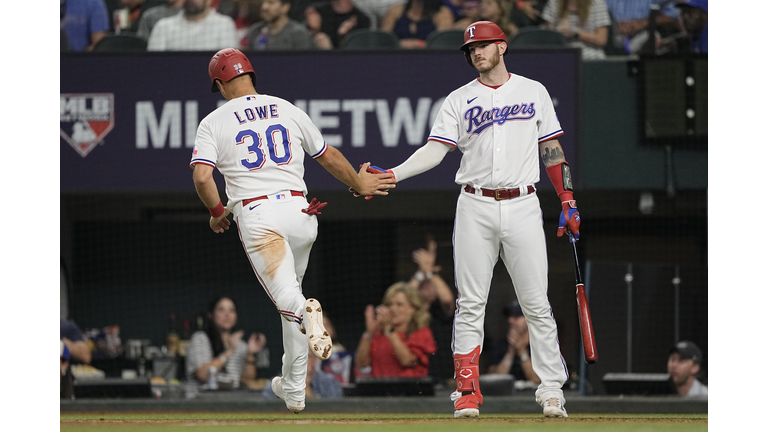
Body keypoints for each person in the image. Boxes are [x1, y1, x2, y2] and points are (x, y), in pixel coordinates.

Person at [357, 21, 578, 418]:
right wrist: (393, 174)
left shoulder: (533, 91)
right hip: (475, 203)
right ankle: (467, 391)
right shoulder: (459, 99)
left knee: (536, 303)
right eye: (471, 48)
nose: (476, 52)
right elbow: (434, 150)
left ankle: (551, 391)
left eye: (483, 45)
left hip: (523, 202)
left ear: (502, 46)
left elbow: (552, 149)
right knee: (471, 303)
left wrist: (567, 199)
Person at [189, 48, 395, 412]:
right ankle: (295, 389)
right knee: (291, 298)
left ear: (220, 85)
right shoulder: (286, 108)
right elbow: (327, 154)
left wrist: (217, 212)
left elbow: (203, 177)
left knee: (290, 300)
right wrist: (358, 183)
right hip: (301, 212)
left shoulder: (214, 121)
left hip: (259, 215)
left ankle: (307, 313)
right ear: (251, 76)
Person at [355, 282, 437, 377]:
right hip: (380, 385)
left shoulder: (421, 332)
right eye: (389, 304)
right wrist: (369, 333)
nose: (393, 309)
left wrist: (389, 330)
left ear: (413, 308)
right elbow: (361, 364)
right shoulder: (378, 333)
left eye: (399, 304)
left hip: (410, 385)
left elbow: (408, 361)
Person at [185, 296, 267, 390]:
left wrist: (250, 353)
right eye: (221, 310)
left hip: (232, 397)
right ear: (211, 314)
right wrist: (229, 351)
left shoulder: (241, 345)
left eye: (231, 310)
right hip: (201, 397)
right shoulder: (200, 338)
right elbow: (203, 375)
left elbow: (248, 379)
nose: (227, 315)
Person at [408, 237, 456, 385]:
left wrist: (429, 272)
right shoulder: (411, 311)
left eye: (432, 282)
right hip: (417, 377)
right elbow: (406, 295)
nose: (428, 285)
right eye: (424, 283)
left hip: (445, 377)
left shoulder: (441, 309)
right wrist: (421, 273)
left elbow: (447, 299)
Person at [147, 0, 238, 51]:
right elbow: (154, 66)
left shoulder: (224, 25)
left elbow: (229, 66)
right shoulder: (163, 27)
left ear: (209, 1)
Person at [486, 300, 540, 383]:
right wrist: (510, 353)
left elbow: (537, 379)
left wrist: (522, 351)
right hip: (507, 391)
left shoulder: (540, 344)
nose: (510, 320)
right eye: (509, 316)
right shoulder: (499, 345)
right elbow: (493, 380)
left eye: (516, 316)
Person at [541, 0, 610, 60]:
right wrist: (558, 33)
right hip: (561, 56)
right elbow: (547, 38)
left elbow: (601, 40)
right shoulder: (554, 2)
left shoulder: (597, 2)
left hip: (590, 57)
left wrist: (575, 33)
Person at [604, 0, 679, 54]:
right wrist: (613, 24)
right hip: (610, 39)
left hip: (643, 36)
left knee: (654, 40)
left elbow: (673, 16)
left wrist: (644, 23)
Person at [380, 0, 454, 49]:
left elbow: (443, 43)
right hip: (397, 58)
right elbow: (383, 39)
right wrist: (398, 44)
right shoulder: (395, 10)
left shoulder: (442, 13)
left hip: (429, 58)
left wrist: (420, 44)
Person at [245, 0, 314, 50]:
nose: (264, 7)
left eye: (271, 3)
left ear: (285, 7)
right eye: (263, 3)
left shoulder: (298, 33)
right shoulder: (255, 31)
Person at [304, 0, 372, 49]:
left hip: (346, 60)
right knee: (321, 38)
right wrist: (315, 30)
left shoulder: (362, 19)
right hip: (319, 59)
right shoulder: (317, 12)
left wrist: (343, 37)